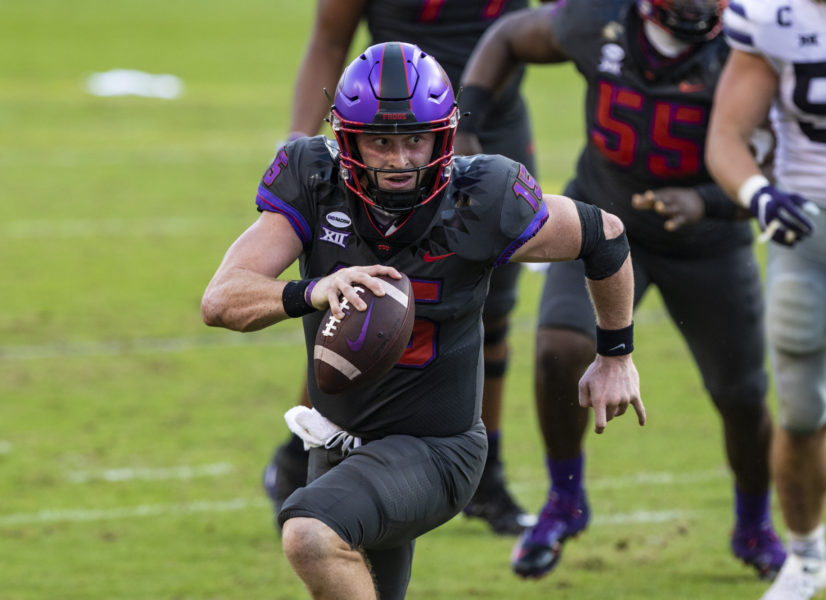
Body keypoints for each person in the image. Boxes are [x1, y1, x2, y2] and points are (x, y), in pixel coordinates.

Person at [202, 42, 646, 600]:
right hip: (338, 441)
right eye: (379, 141)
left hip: (438, 449)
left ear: (444, 136)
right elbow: (221, 300)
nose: (398, 160)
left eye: (415, 139)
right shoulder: (315, 182)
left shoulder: (482, 197)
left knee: (312, 536)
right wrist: (313, 289)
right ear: (345, 138)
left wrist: (616, 355)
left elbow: (604, 235)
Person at [457, 0, 786, 580]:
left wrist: (705, 200)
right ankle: (564, 501)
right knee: (559, 349)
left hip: (708, 241)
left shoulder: (751, 38)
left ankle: (755, 526)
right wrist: (469, 125)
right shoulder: (597, 20)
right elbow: (507, 36)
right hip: (597, 224)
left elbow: (781, 158)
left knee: (742, 396)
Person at [263, 0, 552, 536]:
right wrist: (297, 144)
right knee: (356, 306)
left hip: (487, 131)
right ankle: (302, 445)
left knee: (491, 312)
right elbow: (330, 38)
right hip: (373, 138)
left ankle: (485, 469)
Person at [706, 1, 826, 598]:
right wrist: (760, 194)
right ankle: (807, 557)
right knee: (803, 414)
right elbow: (727, 136)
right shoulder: (772, 13)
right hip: (806, 228)